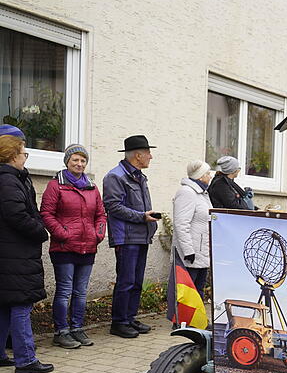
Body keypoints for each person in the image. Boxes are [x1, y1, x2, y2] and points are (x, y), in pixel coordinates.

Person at [40, 143, 107, 348]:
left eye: (83, 160)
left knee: (81, 291)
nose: (79, 163)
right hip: (64, 248)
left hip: (88, 246)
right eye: (75, 160)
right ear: (67, 162)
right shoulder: (55, 185)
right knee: (65, 290)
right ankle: (61, 331)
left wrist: (99, 233)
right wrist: (63, 234)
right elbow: (46, 214)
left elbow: (101, 214)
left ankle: (77, 328)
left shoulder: (91, 186)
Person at [0, 134, 53, 373]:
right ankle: (26, 360)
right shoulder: (8, 181)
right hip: (15, 254)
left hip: (10, 253)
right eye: (24, 153)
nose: (25, 158)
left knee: (5, 306)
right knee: (21, 306)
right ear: (12, 156)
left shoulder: (12, 178)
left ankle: (1, 354)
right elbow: (17, 215)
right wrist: (40, 231)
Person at [103, 135, 159, 338]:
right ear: (138, 155)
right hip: (126, 237)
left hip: (141, 235)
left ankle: (129, 317)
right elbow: (113, 206)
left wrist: (147, 220)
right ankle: (118, 322)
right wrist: (141, 217)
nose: (151, 157)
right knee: (126, 281)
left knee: (136, 281)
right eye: (148, 153)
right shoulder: (115, 176)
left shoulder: (140, 176)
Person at [172, 161, 212, 298]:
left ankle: (197, 320)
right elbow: (181, 224)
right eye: (207, 173)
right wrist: (188, 251)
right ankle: (182, 321)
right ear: (200, 176)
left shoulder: (202, 194)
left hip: (202, 252)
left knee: (198, 291)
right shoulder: (186, 193)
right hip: (191, 254)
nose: (210, 176)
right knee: (187, 294)